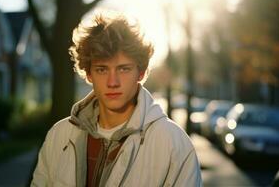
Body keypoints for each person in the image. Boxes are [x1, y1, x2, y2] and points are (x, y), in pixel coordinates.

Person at [31, 11, 202, 187]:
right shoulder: (59, 135)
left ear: (141, 73)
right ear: (89, 74)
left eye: (123, 69)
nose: (112, 82)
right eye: (102, 70)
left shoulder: (173, 143)